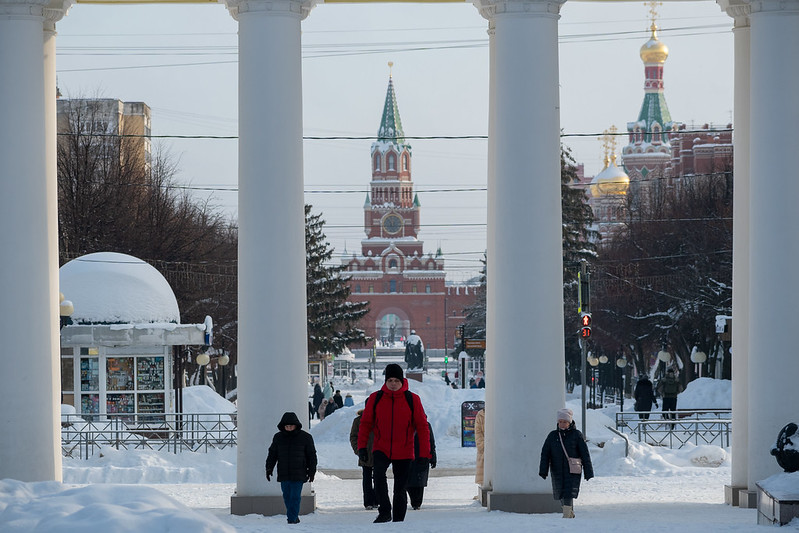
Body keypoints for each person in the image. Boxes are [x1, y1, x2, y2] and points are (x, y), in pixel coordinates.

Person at [358, 363, 431, 523]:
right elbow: (365, 424)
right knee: (377, 477)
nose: (393, 383)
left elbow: (422, 427)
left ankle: (398, 518)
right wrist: (362, 447)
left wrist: (425, 454)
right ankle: (384, 511)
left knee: (400, 486)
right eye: (389, 380)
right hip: (381, 447)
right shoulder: (375, 398)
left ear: (402, 381)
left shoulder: (412, 399)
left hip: (404, 449)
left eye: (396, 380)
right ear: (385, 381)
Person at [539, 408, 594, 519]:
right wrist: (543, 470)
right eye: (560, 421)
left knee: (568, 492)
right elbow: (545, 454)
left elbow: (585, 454)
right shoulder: (552, 436)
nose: (562, 424)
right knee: (560, 493)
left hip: (572, 470)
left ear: (569, 422)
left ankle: (566, 515)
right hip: (557, 469)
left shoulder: (577, 435)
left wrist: (588, 472)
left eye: (564, 421)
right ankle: (569, 513)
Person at [264, 411, 317, 525]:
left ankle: (291, 519)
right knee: (287, 496)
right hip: (284, 472)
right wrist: (269, 468)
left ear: (296, 425)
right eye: (286, 426)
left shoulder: (305, 437)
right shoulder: (278, 437)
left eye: (291, 426)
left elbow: (312, 455)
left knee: (295, 497)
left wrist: (312, 471)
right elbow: (272, 454)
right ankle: (294, 516)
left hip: (299, 472)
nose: (289, 428)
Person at [350, 409, 377, 510]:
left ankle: (378, 500)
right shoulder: (358, 421)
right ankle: (368, 502)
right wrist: (359, 451)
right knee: (367, 479)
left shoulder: (380, 418)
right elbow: (353, 437)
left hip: (379, 454)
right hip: (365, 454)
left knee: (379, 479)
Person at [474, 408, 486, 495]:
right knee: (483, 472)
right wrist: (483, 445)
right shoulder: (480, 415)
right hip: (484, 448)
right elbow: (477, 432)